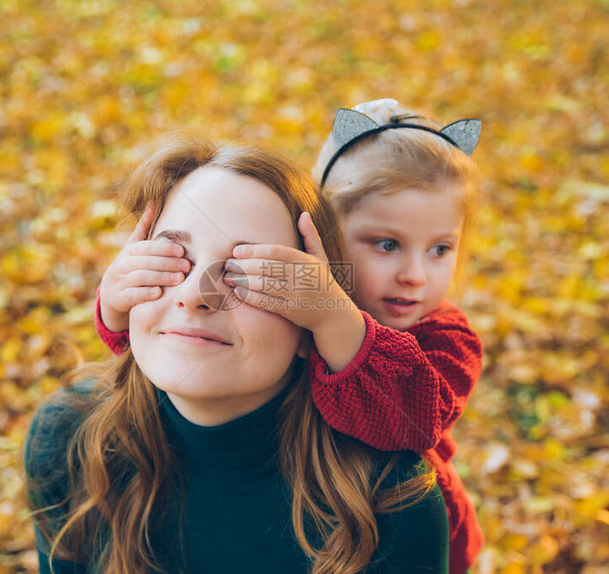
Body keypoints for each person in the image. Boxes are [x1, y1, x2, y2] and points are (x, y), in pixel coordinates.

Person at [24, 134, 450, 574]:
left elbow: (419, 415)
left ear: (312, 329)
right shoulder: (68, 442)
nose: (194, 295)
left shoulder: (391, 503)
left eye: (247, 273)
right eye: (171, 257)